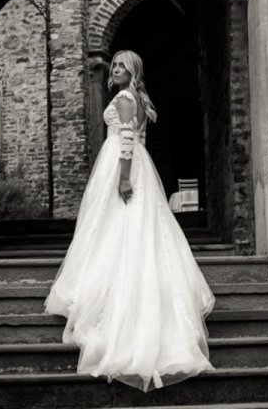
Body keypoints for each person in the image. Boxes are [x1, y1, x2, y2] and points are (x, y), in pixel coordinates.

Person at [45, 49, 214, 392]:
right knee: (136, 229)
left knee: (113, 228)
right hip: (140, 164)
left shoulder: (124, 96)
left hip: (123, 165)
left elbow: (125, 140)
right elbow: (139, 141)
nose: (116, 68)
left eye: (123, 65)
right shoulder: (139, 98)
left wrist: (123, 178)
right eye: (115, 64)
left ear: (133, 71)